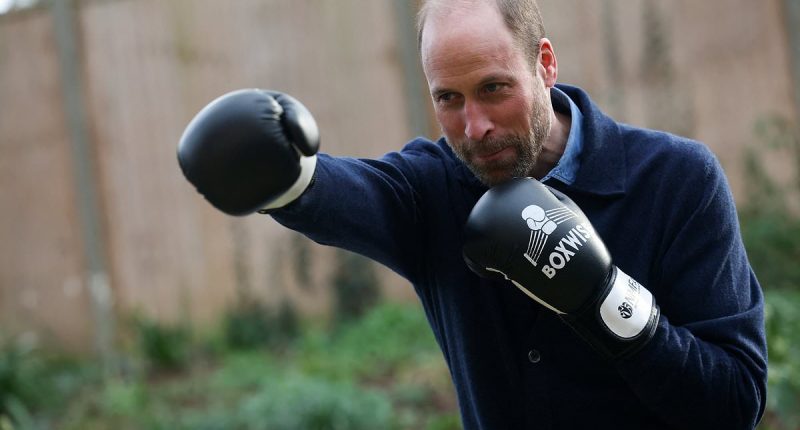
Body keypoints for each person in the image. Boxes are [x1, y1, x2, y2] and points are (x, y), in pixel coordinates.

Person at [177, 0, 768, 428]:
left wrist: (608, 303)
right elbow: (354, 195)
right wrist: (289, 177)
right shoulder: (434, 189)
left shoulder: (677, 179)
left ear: (544, 64)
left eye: (493, 89)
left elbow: (734, 402)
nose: (475, 128)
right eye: (448, 99)